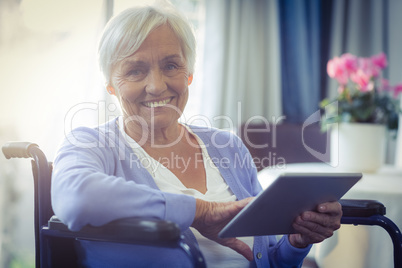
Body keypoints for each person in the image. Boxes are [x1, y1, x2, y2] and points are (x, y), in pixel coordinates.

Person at [51, 3, 342, 268]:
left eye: (170, 66)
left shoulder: (228, 147)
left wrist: (296, 243)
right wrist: (198, 212)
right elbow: (77, 198)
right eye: (135, 71)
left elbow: (269, 259)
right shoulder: (91, 144)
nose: (156, 85)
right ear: (111, 86)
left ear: (188, 73)